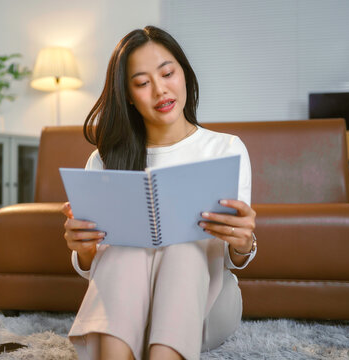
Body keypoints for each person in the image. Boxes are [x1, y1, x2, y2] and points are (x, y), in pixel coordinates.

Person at [62, 25, 257, 360]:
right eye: (142, 83)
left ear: (184, 74)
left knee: (184, 247)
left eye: (168, 73)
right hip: (127, 311)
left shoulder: (225, 149)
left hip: (206, 307)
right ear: (127, 95)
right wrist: (84, 249)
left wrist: (243, 243)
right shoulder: (106, 159)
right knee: (125, 248)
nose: (160, 90)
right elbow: (97, 268)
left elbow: (230, 259)